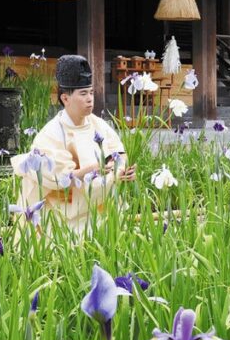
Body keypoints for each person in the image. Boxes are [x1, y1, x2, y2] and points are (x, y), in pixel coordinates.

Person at [11, 55, 136, 234]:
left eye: (91, 93)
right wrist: (93, 169)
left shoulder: (98, 124)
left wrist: (122, 171)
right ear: (65, 98)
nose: (90, 99)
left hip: (100, 210)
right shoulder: (51, 133)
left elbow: (118, 154)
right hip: (64, 218)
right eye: (83, 94)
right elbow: (59, 179)